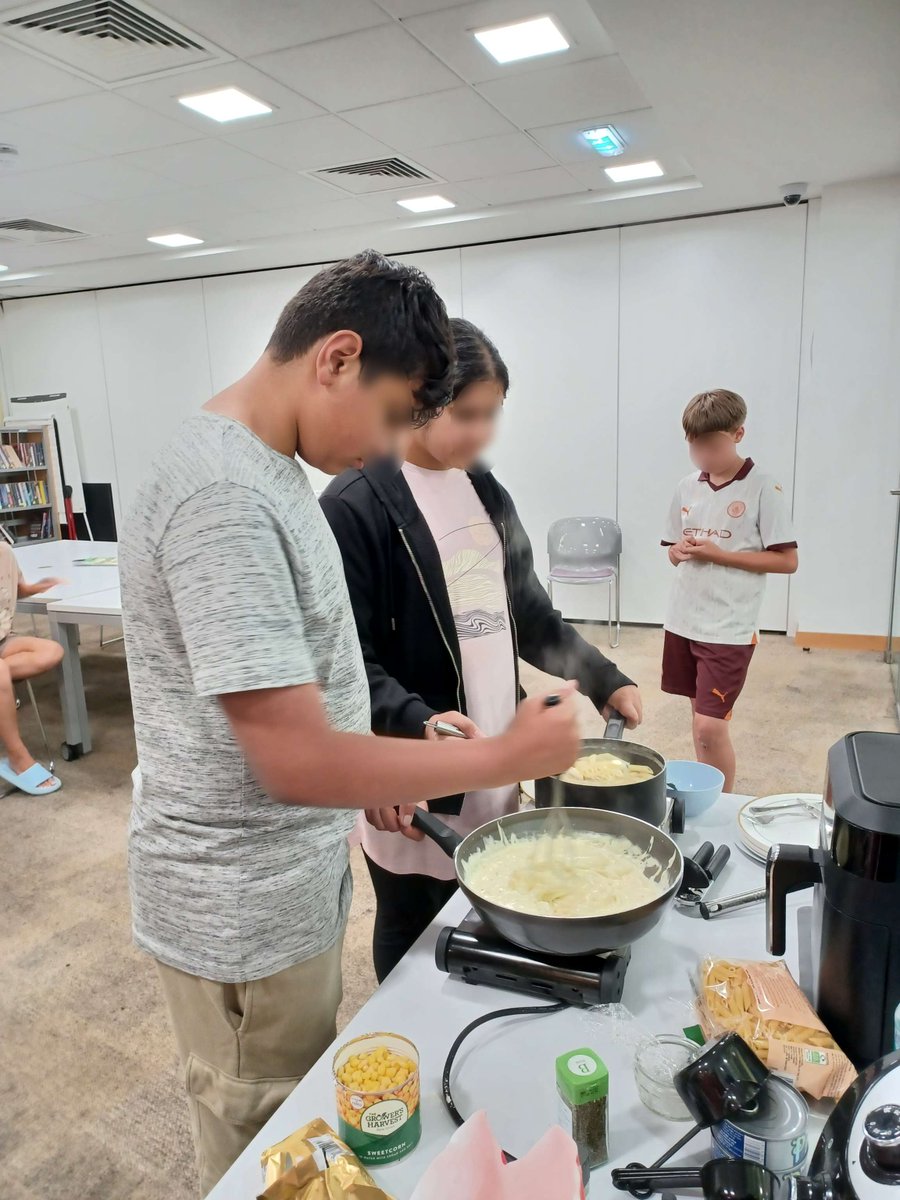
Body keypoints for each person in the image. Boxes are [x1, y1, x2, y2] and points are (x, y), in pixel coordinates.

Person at [118, 251, 581, 1197]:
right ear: (337, 359)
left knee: (300, 1126)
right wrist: (502, 753)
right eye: (392, 416)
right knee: (265, 1149)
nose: (386, 449)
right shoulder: (225, 496)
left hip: (287, 883)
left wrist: (383, 771)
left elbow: (306, 701)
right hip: (239, 914)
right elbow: (293, 760)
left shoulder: (268, 472)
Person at [321, 318, 643, 981]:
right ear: (419, 399)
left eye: (492, 414)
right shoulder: (357, 503)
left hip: (494, 750)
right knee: (412, 924)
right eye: (466, 414)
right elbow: (347, 663)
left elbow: (529, 614)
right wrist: (415, 725)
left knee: (489, 902)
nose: (482, 433)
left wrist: (604, 677)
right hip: (414, 765)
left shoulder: (485, 491)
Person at [661, 389, 798, 792]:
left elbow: (787, 561)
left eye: (712, 446)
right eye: (695, 447)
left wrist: (721, 555)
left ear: (738, 434)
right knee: (700, 723)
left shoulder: (763, 488)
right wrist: (678, 552)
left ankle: (721, 807)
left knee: (710, 726)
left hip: (729, 628)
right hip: (683, 620)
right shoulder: (687, 486)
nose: (703, 456)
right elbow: (672, 550)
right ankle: (706, 796)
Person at [0, 544, 64, 795]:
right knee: (0, 672)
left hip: (3, 639)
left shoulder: (4, 552)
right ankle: (17, 756)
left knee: (52, 651)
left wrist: (39, 587)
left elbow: (17, 589)